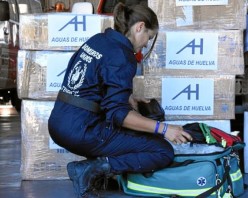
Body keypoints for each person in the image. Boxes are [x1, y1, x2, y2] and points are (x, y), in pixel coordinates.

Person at [48, 2, 192, 197]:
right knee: (161, 150)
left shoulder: (98, 41)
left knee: (135, 131)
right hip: (82, 131)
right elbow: (118, 115)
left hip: (58, 123)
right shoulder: (122, 56)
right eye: (148, 38)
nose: (146, 44)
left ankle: (97, 169)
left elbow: (89, 81)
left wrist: (128, 97)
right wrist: (164, 129)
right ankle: (91, 168)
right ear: (139, 27)